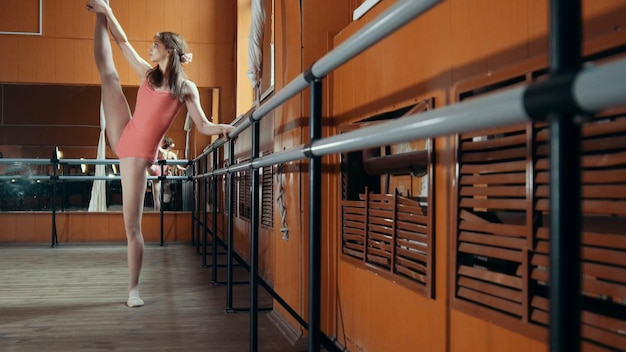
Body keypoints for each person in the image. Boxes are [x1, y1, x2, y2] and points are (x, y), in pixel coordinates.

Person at [87, 0, 234, 308]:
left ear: (169, 50)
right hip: (123, 133)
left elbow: (204, 125)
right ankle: (101, 6)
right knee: (109, 74)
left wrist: (224, 128)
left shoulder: (185, 88)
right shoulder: (147, 74)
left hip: (136, 157)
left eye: (155, 45)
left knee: (132, 227)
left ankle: (133, 290)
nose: (150, 49)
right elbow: (122, 41)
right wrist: (107, 11)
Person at [149, 136, 185, 211]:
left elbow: (157, 147)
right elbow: (178, 167)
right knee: (167, 192)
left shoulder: (162, 152)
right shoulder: (172, 155)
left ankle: (156, 214)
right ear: (171, 145)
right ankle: (167, 206)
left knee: (156, 198)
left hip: (157, 171)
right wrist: (185, 169)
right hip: (164, 174)